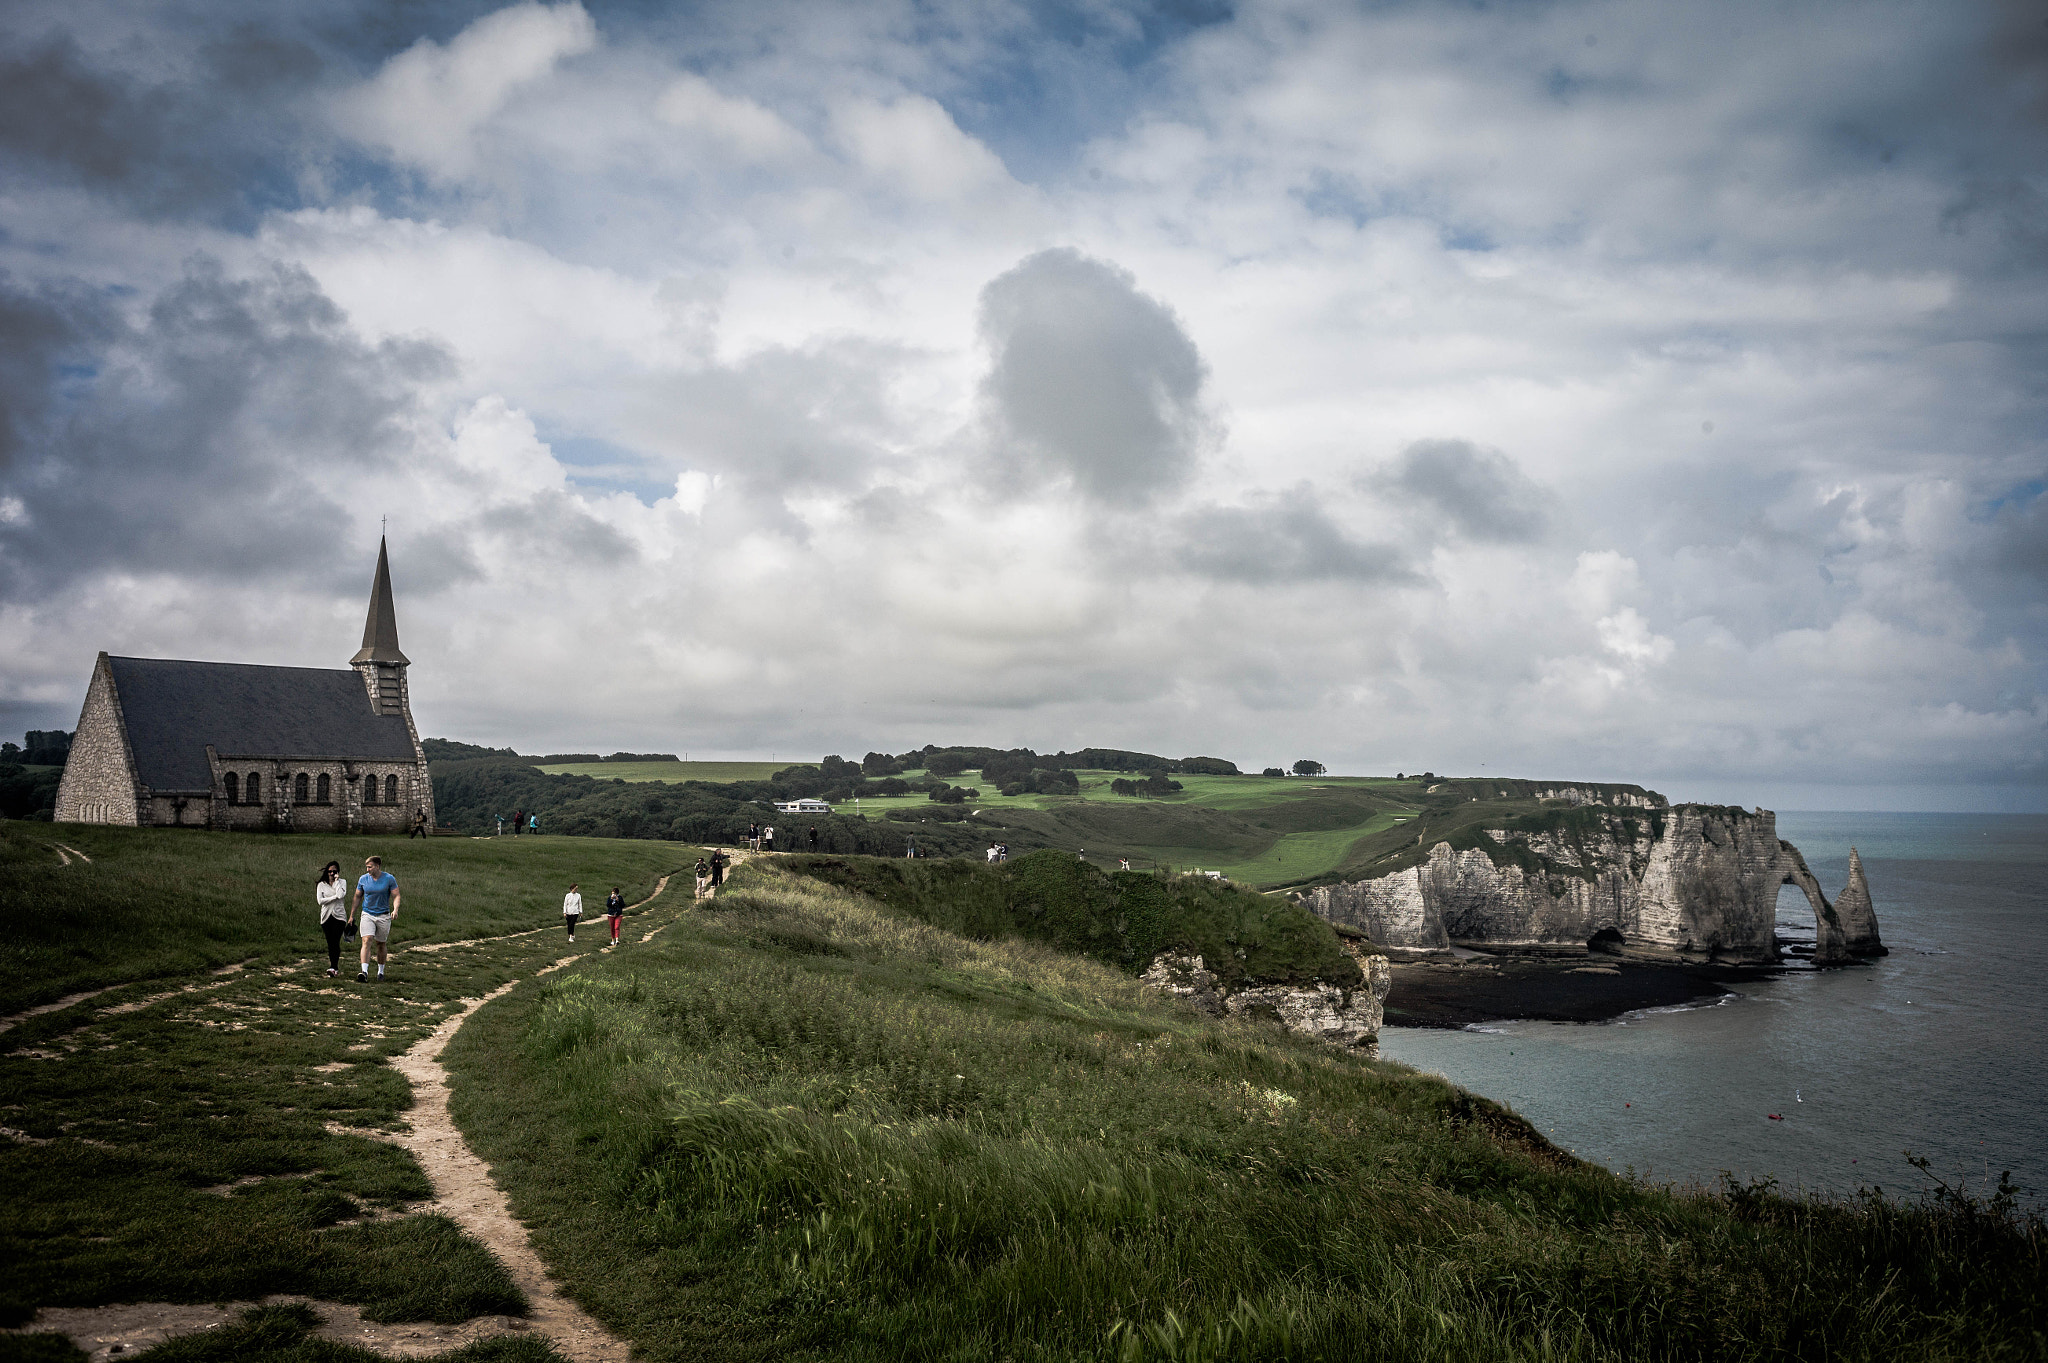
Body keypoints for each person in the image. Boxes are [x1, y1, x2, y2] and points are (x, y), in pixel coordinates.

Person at [353, 856, 400, 983]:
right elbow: (357, 896)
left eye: (370, 867)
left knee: (380, 943)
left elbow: (396, 895)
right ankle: (364, 972)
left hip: (383, 915)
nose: (368, 869)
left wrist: (395, 910)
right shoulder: (363, 879)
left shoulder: (389, 878)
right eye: (366, 867)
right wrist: (352, 915)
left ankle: (381, 971)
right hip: (367, 914)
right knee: (367, 940)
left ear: (377, 866)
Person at [316, 861, 351, 977]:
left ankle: (333, 967)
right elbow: (320, 901)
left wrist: (336, 882)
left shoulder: (342, 882)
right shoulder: (321, 884)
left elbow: (341, 895)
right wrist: (334, 897)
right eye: (330, 871)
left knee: (335, 941)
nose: (331, 873)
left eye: (334, 871)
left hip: (339, 916)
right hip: (326, 916)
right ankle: (333, 966)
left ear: (338, 872)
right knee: (330, 942)